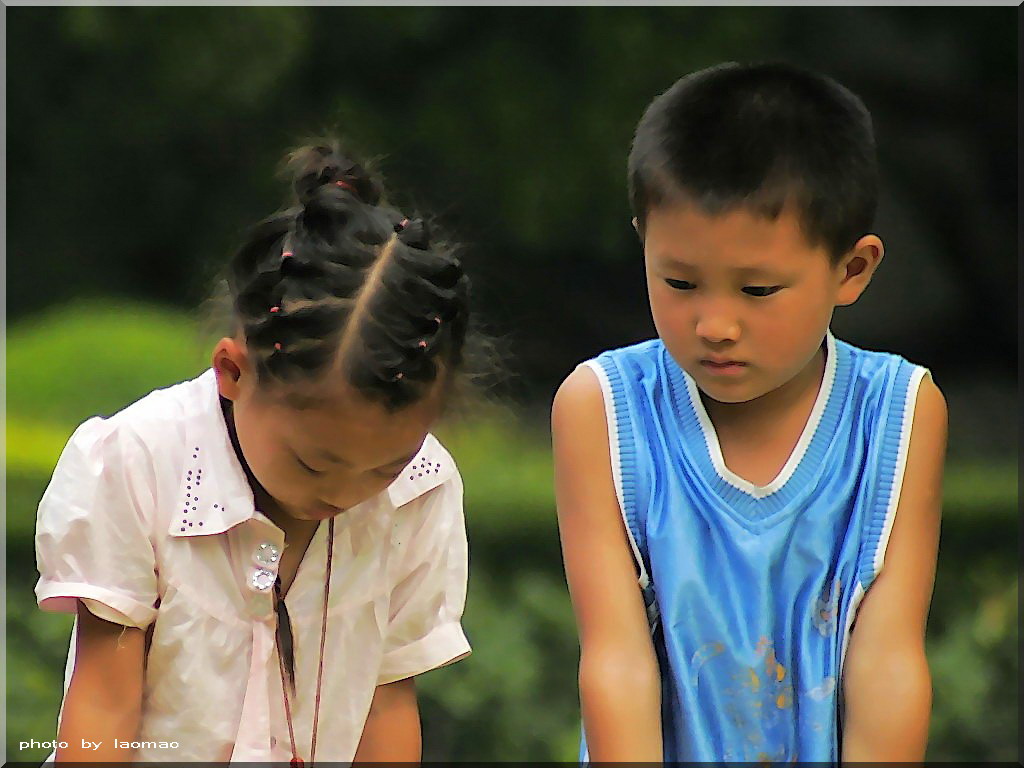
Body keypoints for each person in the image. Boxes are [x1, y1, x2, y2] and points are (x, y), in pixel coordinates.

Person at [34, 139, 483, 764]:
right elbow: (103, 711)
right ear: (233, 371)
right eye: (314, 463)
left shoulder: (422, 490)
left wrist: (381, 473)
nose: (347, 493)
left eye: (386, 466)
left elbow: (387, 704)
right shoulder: (138, 465)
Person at [553, 62, 946, 763]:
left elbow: (888, 665)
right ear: (643, 237)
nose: (715, 324)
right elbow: (616, 665)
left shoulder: (899, 414)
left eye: (758, 289)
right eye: (679, 281)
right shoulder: (603, 410)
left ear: (852, 270)